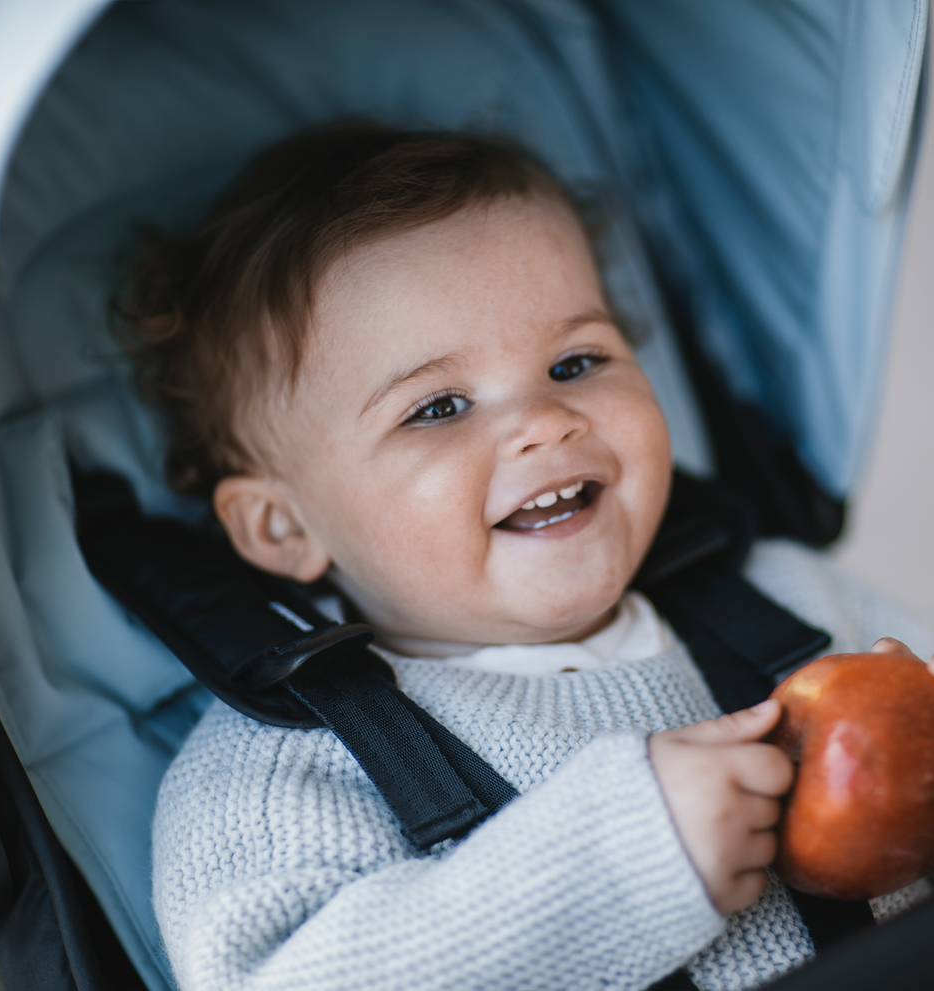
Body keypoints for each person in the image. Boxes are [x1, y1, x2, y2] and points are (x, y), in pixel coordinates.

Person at [119, 124, 934, 991]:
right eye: (437, 407)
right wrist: (614, 870)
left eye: (575, 361)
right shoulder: (283, 770)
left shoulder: (788, 603)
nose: (544, 421)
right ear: (283, 527)